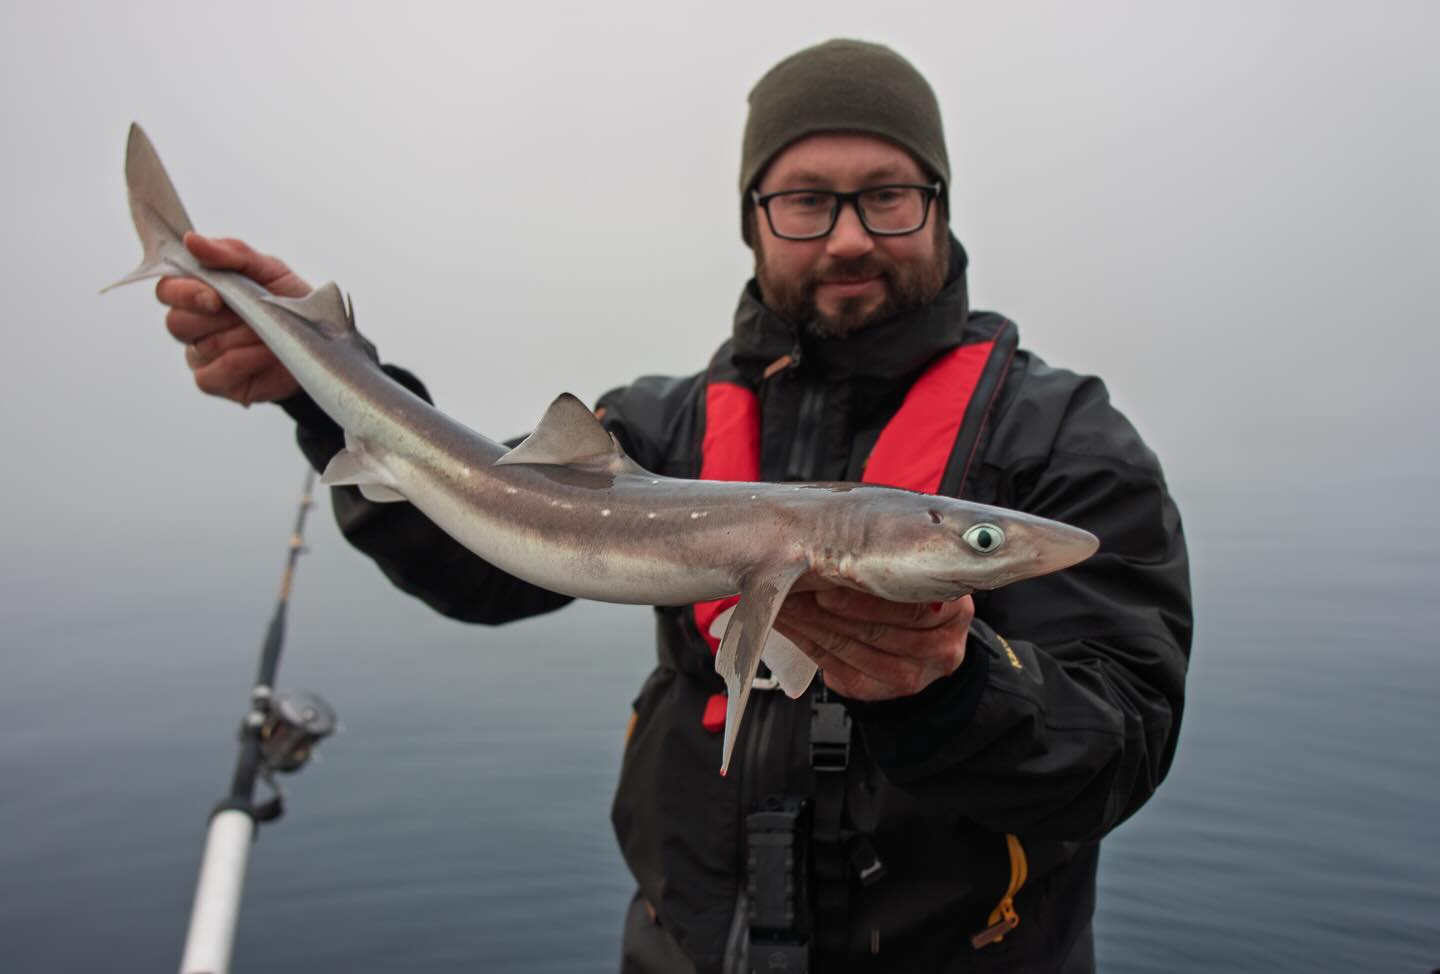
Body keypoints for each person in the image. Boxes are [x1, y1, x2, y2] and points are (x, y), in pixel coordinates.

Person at [157, 39, 1191, 974]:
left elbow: (1121, 748)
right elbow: (480, 554)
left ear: (942, 207)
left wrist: (956, 690)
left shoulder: (1065, 439)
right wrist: (324, 386)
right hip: (683, 952)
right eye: (806, 200)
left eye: (888, 196)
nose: (847, 238)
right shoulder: (656, 428)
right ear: (753, 220)